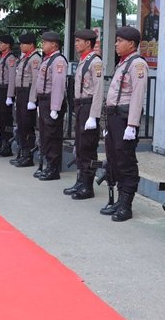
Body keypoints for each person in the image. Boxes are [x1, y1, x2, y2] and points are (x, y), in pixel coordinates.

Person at [101, 26, 148, 221]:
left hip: (124, 118)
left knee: (125, 160)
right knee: (114, 158)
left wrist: (132, 124)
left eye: (120, 41)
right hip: (114, 117)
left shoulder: (137, 64)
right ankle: (120, 200)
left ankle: (126, 204)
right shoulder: (123, 63)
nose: (116, 44)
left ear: (131, 43)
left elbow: (137, 96)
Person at [64, 29, 104, 200]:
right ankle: (80, 181)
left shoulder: (95, 62)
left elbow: (98, 90)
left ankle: (88, 185)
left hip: (88, 106)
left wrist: (94, 116)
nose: (76, 43)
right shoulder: (83, 61)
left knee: (88, 147)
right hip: (80, 106)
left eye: (79, 40)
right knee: (80, 146)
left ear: (88, 43)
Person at [33, 31, 68, 181]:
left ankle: (53, 168)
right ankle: (48, 164)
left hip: (52, 102)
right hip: (44, 101)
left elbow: (58, 85)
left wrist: (55, 107)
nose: (43, 45)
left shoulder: (58, 60)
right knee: (45, 134)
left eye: (45, 42)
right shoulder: (47, 59)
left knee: (52, 135)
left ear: (54, 44)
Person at [10, 33, 41, 168]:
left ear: (31, 45)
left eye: (24, 44)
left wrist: (32, 99)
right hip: (21, 94)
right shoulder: (25, 58)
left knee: (27, 125)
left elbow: (35, 81)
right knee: (21, 124)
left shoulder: (35, 59)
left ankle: (27, 156)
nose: (21, 46)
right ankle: (23, 153)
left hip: (28, 94)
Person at [0, 35, 17, 156]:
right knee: (1, 118)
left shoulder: (10, 58)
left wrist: (10, 95)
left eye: (2, 43)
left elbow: (12, 78)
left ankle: (7, 146)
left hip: (6, 89)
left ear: (7, 45)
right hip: (1, 89)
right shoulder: (3, 57)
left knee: (6, 119)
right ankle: (2, 144)